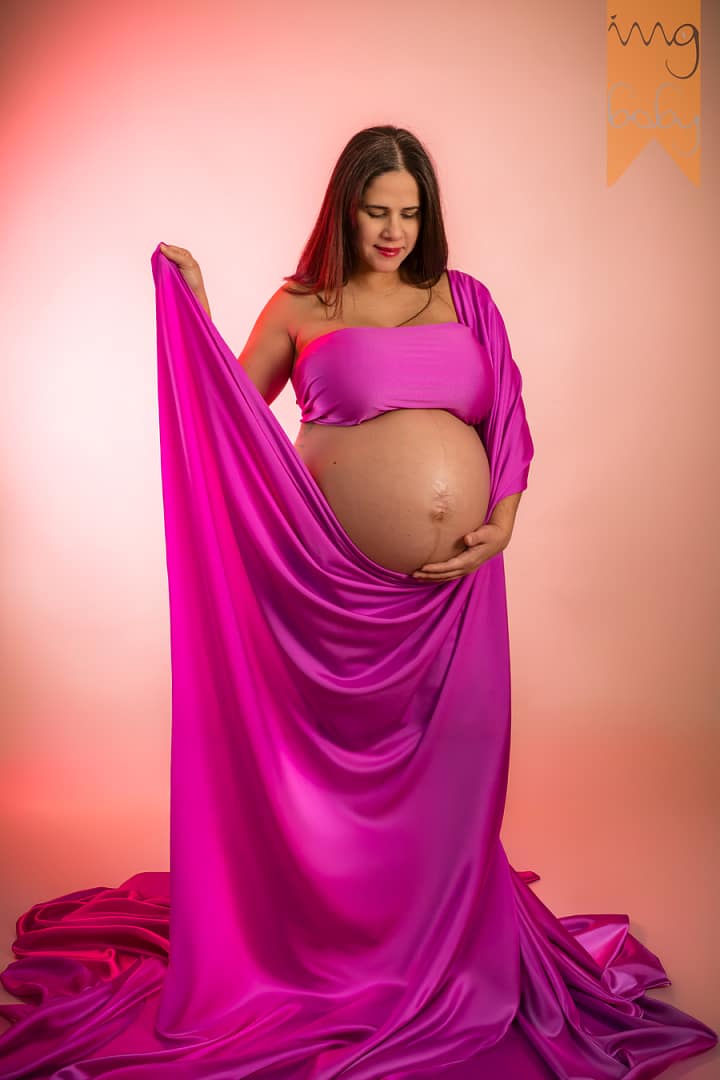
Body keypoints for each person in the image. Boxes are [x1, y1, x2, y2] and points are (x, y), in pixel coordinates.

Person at [0, 125, 716, 1079]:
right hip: (325, 598)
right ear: (343, 206)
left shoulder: (464, 301)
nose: (393, 229)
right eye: (376, 209)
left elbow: (506, 410)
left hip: (452, 606)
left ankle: (436, 952)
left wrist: (501, 518)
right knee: (330, 795)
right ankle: (332, 956)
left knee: (458, 776)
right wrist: (199, 314)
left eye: (409, 212)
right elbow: (230, 416)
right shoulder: (303, 305)